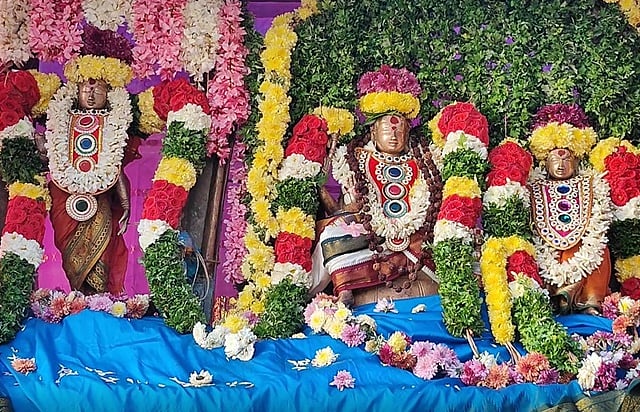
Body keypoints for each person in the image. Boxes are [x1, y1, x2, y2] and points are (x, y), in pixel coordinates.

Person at [309, 65, 442, 306]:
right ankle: (346, 286)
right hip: (371, 237)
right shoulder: (355, 159)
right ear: (373, 131)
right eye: (388, 131)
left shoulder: (425, 160)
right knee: (332, 235)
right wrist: (350, 205)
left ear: (408, 134)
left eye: (400, 131)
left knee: (448, 235)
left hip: (416, 236)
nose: (394, 136)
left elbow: (434, 201)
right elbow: (343, 209)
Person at [38, 55, 136, 295]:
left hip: (100, 196)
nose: (91, 96)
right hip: (64, 198)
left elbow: (114, 167)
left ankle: (99, 301)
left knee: (102, 252)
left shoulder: (114, 121)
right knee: (69, 254)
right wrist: (41, 149)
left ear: (108, 94)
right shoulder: (61, 118)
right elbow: (52, 158)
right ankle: (78, 296)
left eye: (98, 91)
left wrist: (125, 204)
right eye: (85, 90)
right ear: (76, 92)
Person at [528, 105, 611, 315]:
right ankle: (557, 298)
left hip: (584, 245)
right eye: (555, 160)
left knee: (599, 248)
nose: (561, 165)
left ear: (576, 162)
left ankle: (589, 300)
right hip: (548, 248)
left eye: (566, 160)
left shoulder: (590, 182)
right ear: (545, 163)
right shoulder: (534, 186)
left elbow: (597, 222)